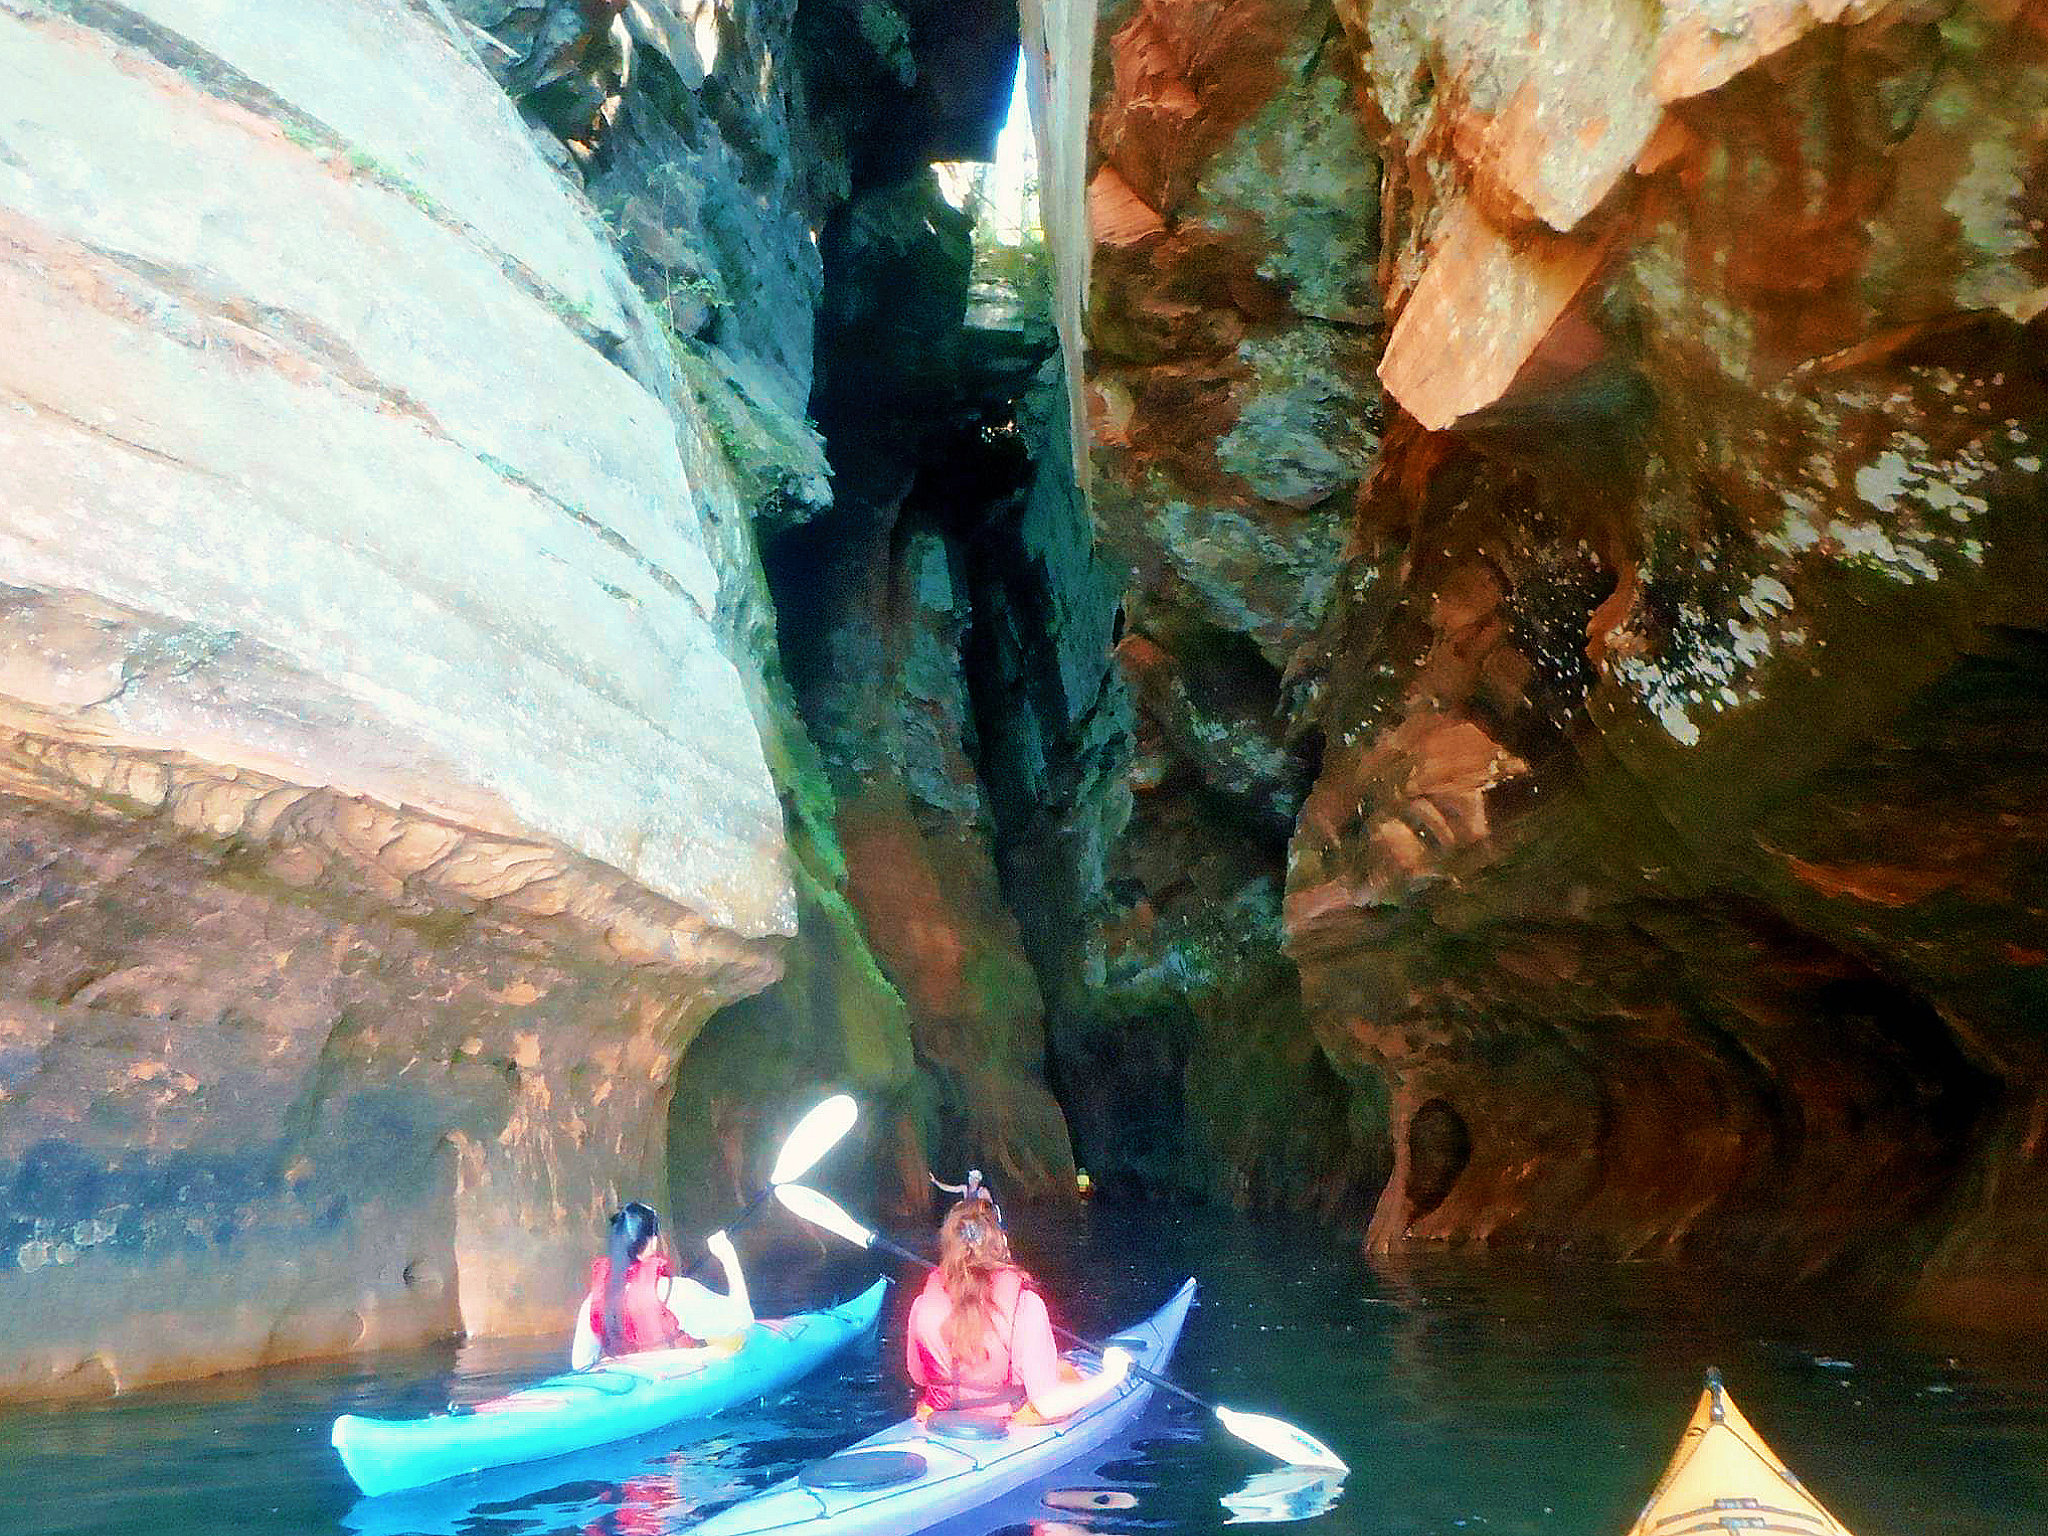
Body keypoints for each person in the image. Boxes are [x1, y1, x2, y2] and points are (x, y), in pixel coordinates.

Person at [905, 1185, 1130, 1423]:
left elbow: (919, 1376)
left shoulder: (922, 1305)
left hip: (940, 1415)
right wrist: (1114, 1375)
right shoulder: (1026, 1305)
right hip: (1009, 1416)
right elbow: (1049, 1405)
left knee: (1061, 1367)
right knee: (1069, 1374)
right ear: (1001, 1240)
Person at [571, 1201, 754, 1368]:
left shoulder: (591, 1303)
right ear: (653, 1242)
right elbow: (744, 1320)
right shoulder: (678, 1292)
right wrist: (728, 1257)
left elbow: (580, 1365)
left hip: (628, 1383)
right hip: (679, 1382)